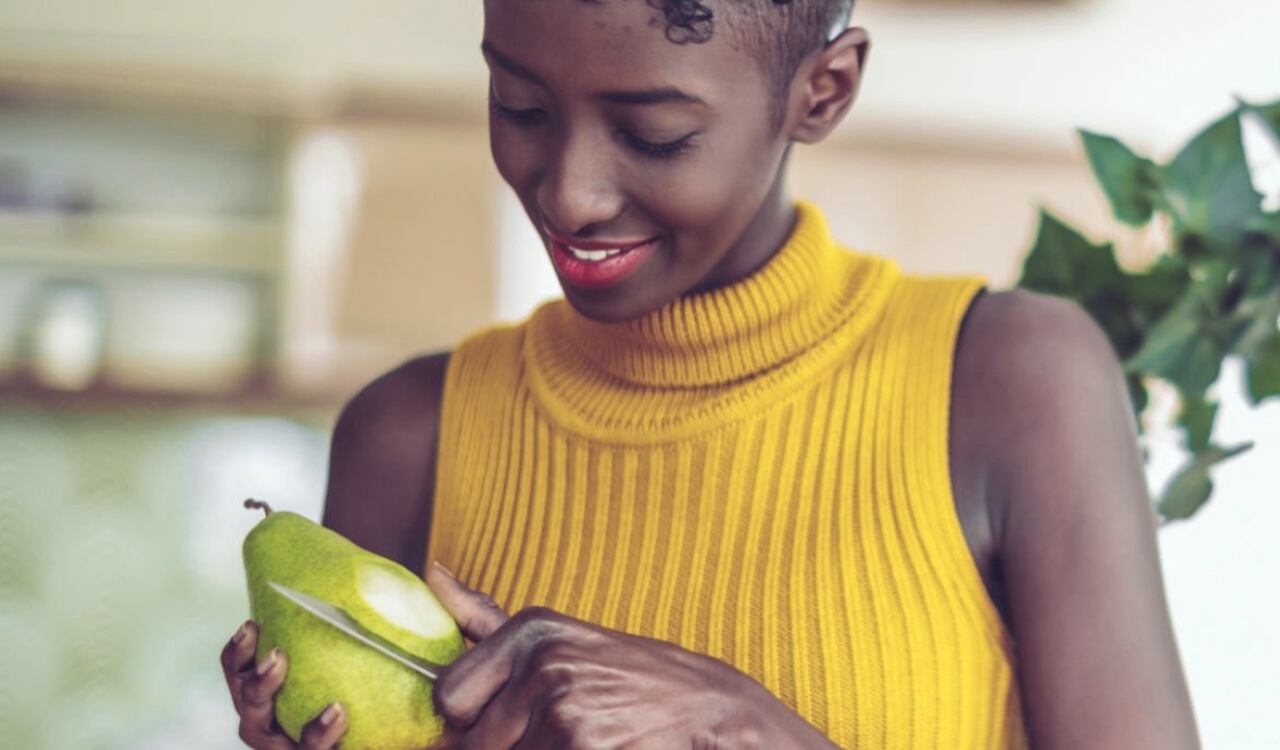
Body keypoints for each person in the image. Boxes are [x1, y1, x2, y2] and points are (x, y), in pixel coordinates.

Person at [220, 0, 1201, 747]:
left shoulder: (1013, 387)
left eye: (653, 133)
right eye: (517, 104)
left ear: (821, 91)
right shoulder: (407, 436)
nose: (568, 190)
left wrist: (743, 728)